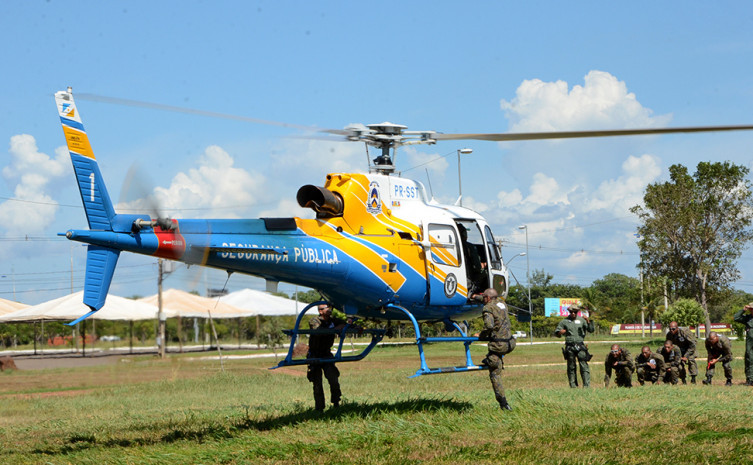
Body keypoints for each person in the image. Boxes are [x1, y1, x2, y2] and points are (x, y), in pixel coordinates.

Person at [477, 288, 516, 410]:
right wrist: (475, 297)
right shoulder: (502, 303)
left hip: (498, 345)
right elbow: (491, 297)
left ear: (488, 298)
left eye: (484, 297)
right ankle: (491, 359)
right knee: (495, 358)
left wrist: (481, 335)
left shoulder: (488, 308)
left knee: (495, 373)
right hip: (510, 343)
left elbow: (489, 325)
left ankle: (503, 404)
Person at [307, 303, 347, 411]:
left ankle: (336, 402)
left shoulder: (333, 321)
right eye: (327, 308)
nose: (330, 309)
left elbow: (346, 324)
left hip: (326, 353)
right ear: (320, 311)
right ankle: (319, 408)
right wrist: (335, 329)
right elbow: (319, 331)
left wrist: (351, 326)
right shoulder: (315, 320)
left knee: (333, 378)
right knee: (317, 383)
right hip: (314, 354)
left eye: (330, 307)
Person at [554, 304, 594, 388]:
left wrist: (588, 321)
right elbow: (557, 333)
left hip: (580, 346)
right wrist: (560, 332)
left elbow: (591, 330)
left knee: (584, 365)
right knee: (571, 367)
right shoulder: (564, 321)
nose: (573, 313)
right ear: (569, 312)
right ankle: (573, 385)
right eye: (571, 312)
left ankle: (586, 385)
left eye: (575, 312)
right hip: (569, 347)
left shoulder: (582, 320)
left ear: (577, 312)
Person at [733, 302, 753, 386]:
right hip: (750, 342)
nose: (751, 310)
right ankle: (750, 379)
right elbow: (736, 317)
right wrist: (743, 310)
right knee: (749, 358)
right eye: (751, 309)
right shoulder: (748, 318)